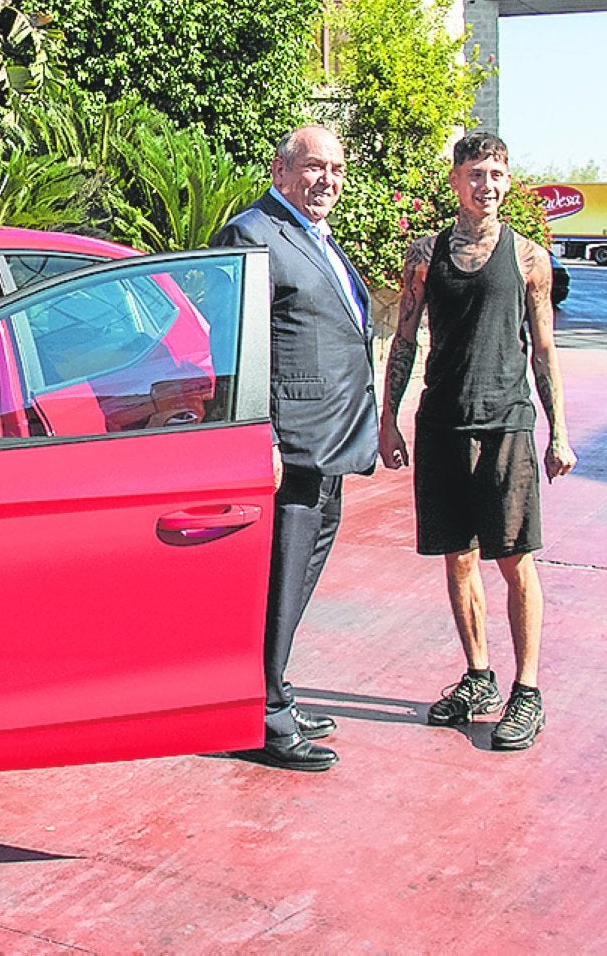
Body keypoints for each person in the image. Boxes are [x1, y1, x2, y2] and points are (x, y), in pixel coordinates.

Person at [378, 131, 576, 752]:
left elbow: (544, 348)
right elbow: (405, 340)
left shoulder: (529, 259)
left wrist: (558, 433)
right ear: (455, 180)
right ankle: (479, 676)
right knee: (458, 558)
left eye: (495, 173)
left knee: (515, 561)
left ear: (508, 181)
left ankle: (528, 690)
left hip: (507, 425)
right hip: (441, 424)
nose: (484, 184)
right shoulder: (424, 254)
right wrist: (389, 422)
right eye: (473, 173)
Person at [213, 125, 378, 772]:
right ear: (280, 171)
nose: (328, 180)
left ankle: (270, 690)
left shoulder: (315, 237)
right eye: (314, 167)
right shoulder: (252, 234)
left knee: (294, 581)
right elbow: (232, 345)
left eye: (336, 168)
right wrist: (264, 436)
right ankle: (263, 719)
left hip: (331, 446)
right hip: (291, 448)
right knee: (277, 580)